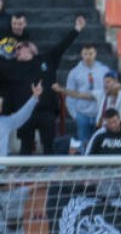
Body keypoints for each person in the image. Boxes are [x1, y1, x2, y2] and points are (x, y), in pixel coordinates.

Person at [0, 16, 83, 155]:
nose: (16, 50)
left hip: (46, 112)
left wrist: (77, 29)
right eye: (15, 48)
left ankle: (49, 176)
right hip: (24, 113)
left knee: (49, 146)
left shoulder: (46, 59)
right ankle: (24, 177)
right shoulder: (11, 66)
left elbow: (62, 46)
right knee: (25, 148)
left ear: (30, 48)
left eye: (19, 47)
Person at [62, 43, 111, 146]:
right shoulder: (74, 72)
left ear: (95, 54)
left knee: (100, 143)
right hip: (82, 114)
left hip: (99, 114)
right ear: (81, 54)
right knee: (84, 144)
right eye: (85, 54)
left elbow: (109, 91)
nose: (88, 56)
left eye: (90, 53)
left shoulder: (104, 70)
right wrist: (75, 115)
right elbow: (70, 94)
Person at [0, 81, 41, 158]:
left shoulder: (5, 122)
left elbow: (22, 116)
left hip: (1, 168)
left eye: (1, 105)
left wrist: (34, 97)